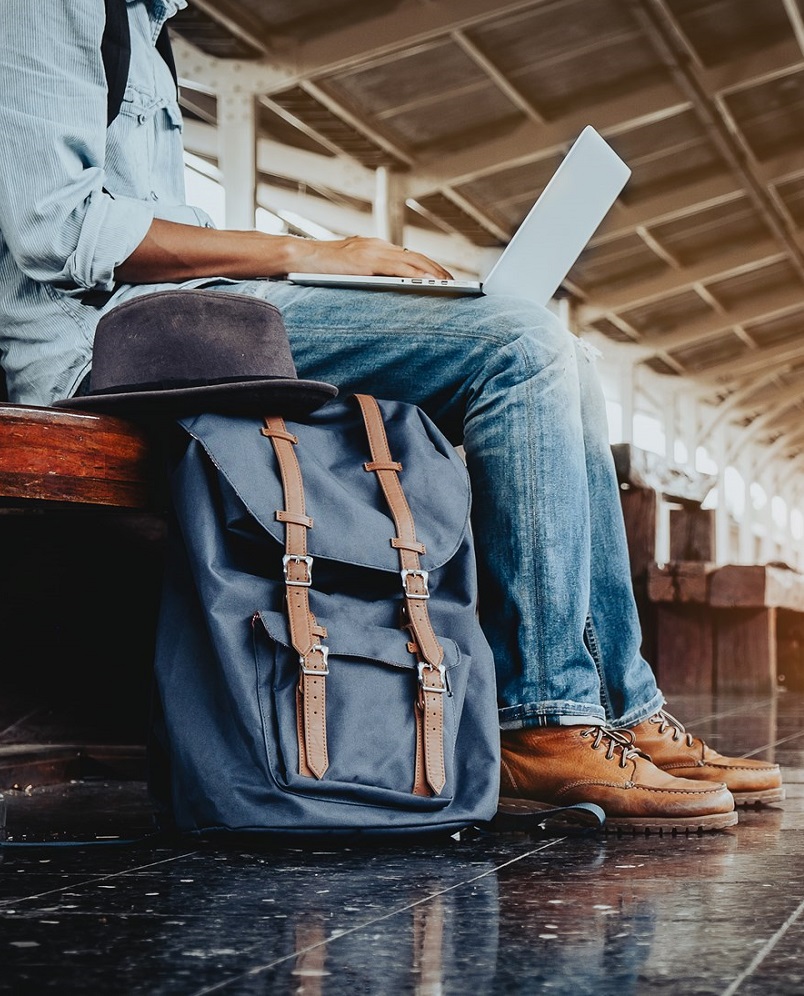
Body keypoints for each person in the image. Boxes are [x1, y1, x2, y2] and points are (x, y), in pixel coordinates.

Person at [0, 0, 783, 832]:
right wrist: (310, 255)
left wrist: (333, 279)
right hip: (106, 342)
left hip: (192, 314)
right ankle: (544, 721)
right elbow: (56, 225)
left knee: (560, 352)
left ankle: (623, 709)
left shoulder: (146, 26)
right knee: (518, 348)